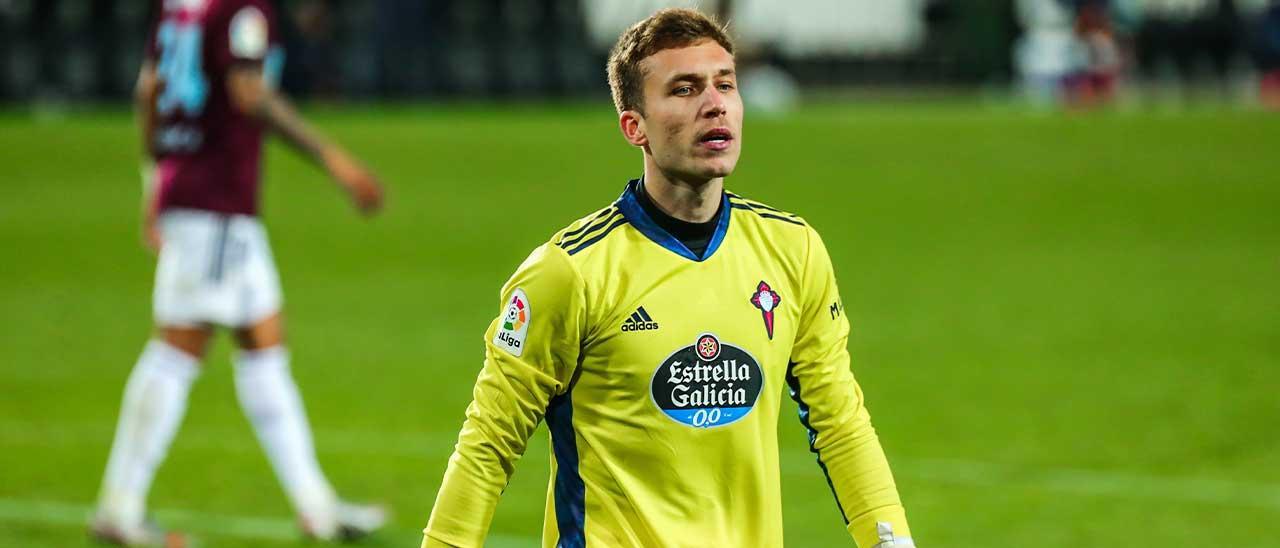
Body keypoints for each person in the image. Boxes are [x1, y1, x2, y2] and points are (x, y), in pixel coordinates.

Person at [421, 8, 914, 548]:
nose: (714, 103)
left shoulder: (793, 251)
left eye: (725, 84)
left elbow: (840, 422)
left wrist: (891, 540)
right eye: (684, 89)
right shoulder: (570, 272)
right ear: (636, 127)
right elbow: (488, 443)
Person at [92, 0, 387, 544]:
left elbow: (148, 89)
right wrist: (334, 159)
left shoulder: (180, 6)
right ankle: (119, 505)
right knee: (178, 351)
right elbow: (249, 93)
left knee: (264, 345)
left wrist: (153, 182)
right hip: (218, 203)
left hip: (197, 196)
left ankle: (317, 507)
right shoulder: (242, 7)